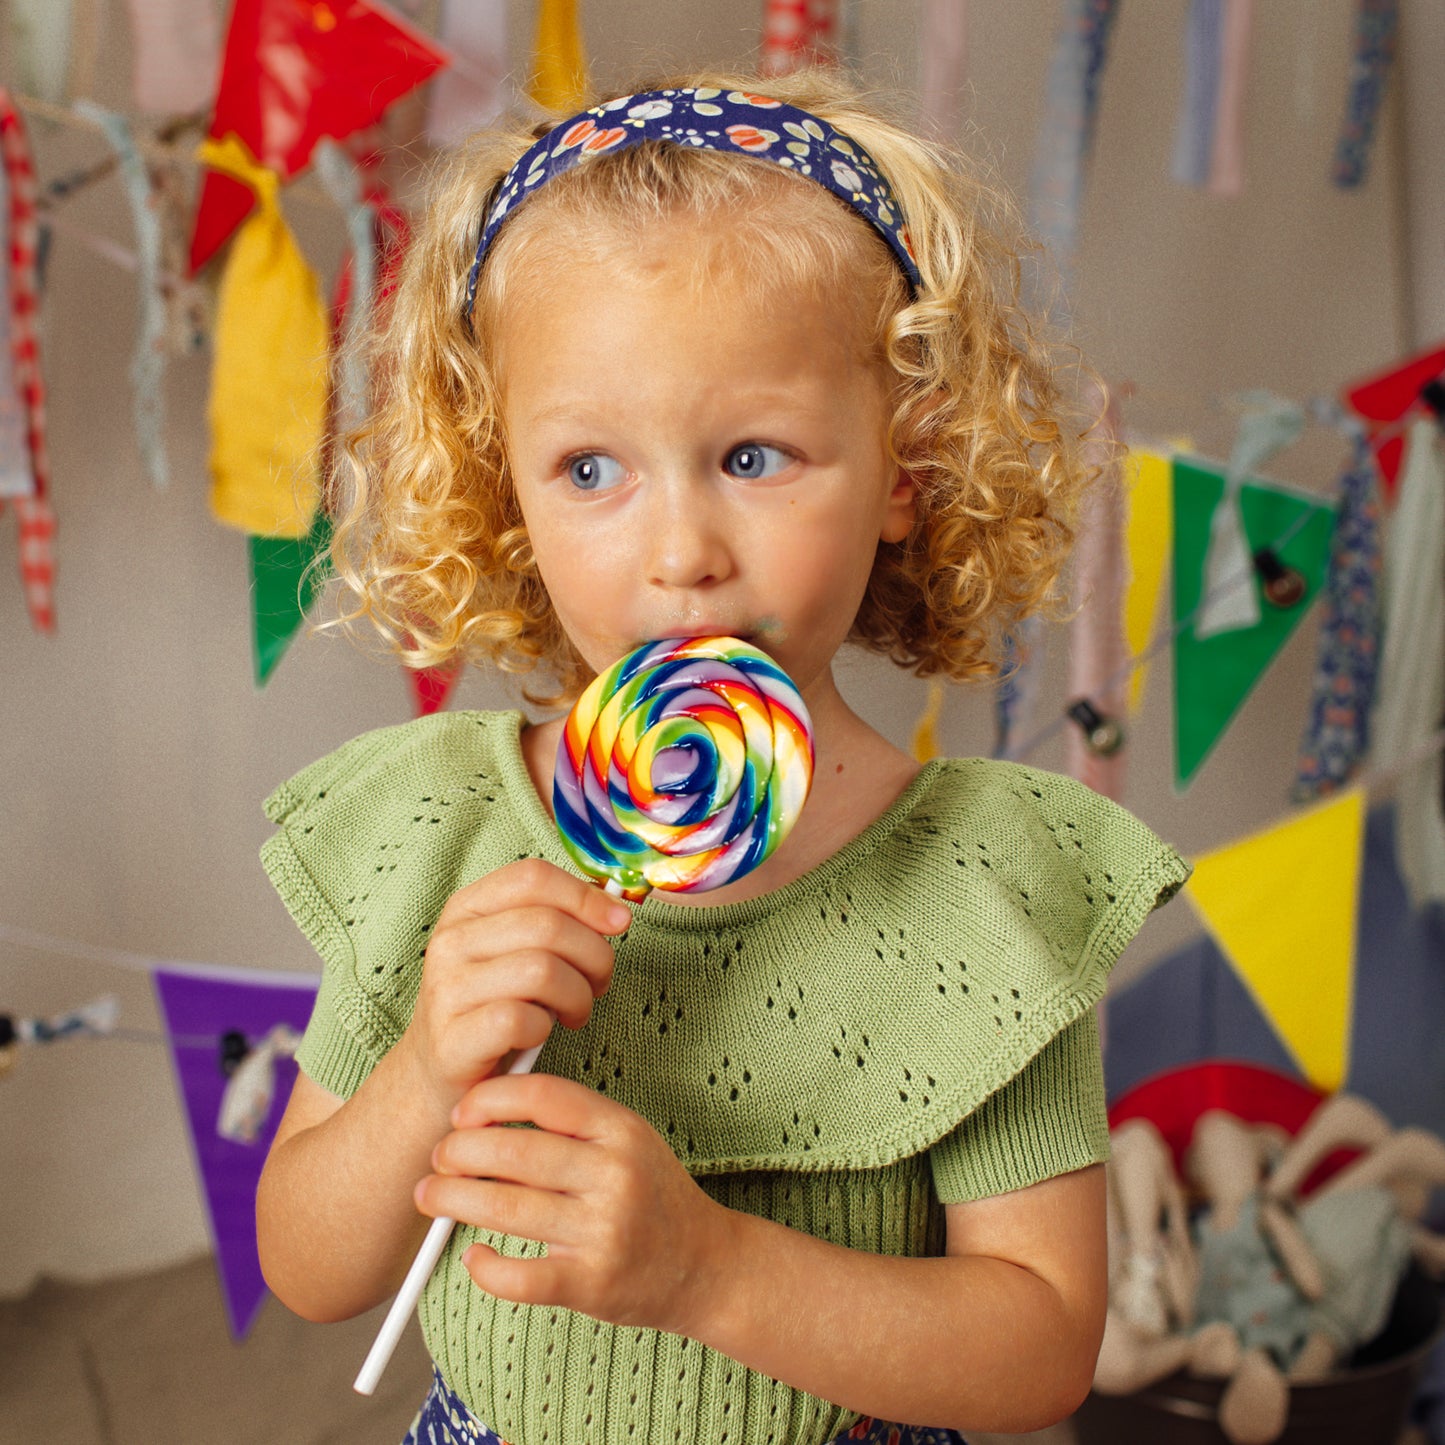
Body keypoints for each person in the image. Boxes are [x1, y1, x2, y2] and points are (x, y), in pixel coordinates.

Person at [255, 69, 1191, 1445]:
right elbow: (308, 1265)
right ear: (498, 485)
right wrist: (424, 1075)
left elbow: (1041, 1349)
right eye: (589, 470)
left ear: (904, 468)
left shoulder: (984, 884)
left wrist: (711, 1270)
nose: (680, 548)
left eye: (753, 455)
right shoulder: (439, 829)